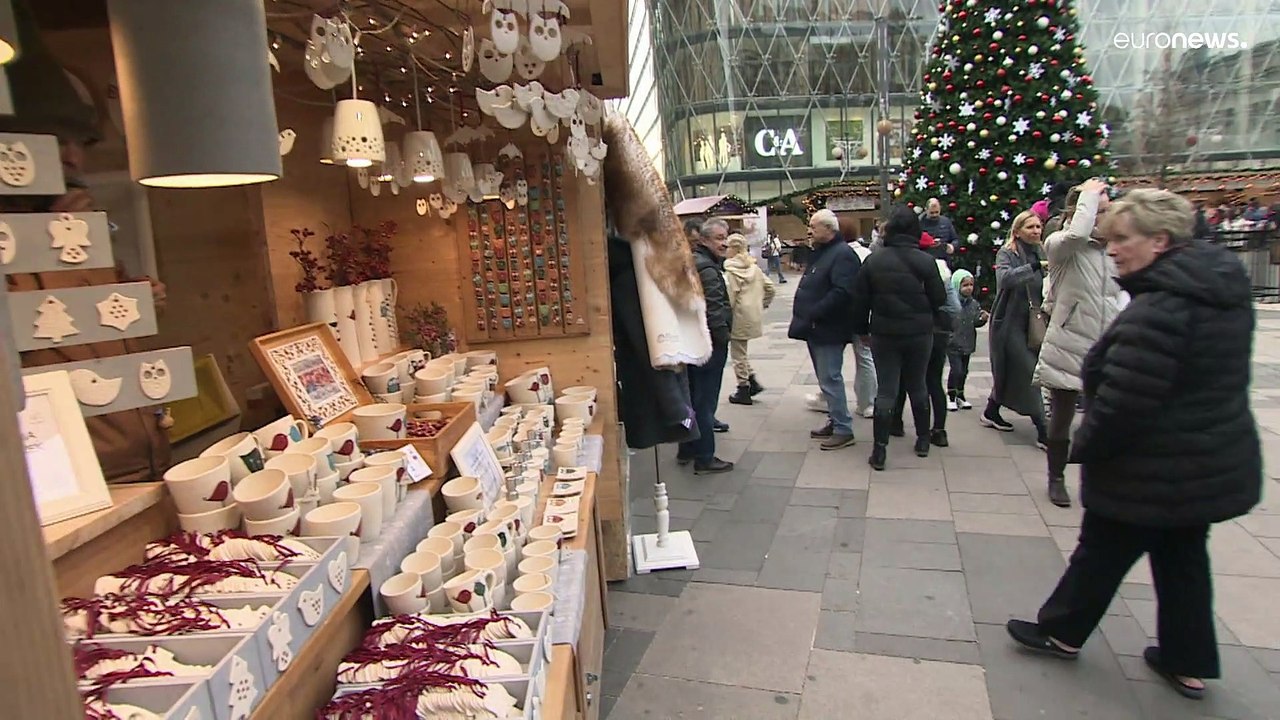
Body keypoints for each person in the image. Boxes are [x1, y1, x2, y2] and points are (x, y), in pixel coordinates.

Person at [1006, 189, 1261, 701]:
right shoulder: (1219, 291)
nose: (1114, 248)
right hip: (1204, 461)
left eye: (1123, 239)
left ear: (1160, 241)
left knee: (1101, 552)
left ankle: (1062, 632)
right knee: (1183, 561)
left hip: (1148, 464)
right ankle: (1187, 662)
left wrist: (1086, 447)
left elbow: (1126, 401)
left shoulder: (1162, 309)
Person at [1, 8, 171, 483]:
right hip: (64, 476)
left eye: (80, 141)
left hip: (141, 461)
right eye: (56, 140)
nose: (73, 155)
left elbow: (94, 329)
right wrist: (46, 249)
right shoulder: (22, 242)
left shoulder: (81, 228)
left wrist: (135, 296)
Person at [1033, 179, 1124, 508]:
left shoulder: (1113, 250)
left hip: (1106, 345)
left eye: (1107, 210)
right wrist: (1088, 196)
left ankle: (1103, 477)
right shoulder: (1062, 244)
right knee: (1062, 418)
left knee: (1107, 418)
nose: (1105, 217)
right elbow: (1076, 235)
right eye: (1098, 211)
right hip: (1069, 341)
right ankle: (1056, 478)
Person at [851, 206, 947, 470]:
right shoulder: (925, 261)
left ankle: (879, 450)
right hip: (919, 332)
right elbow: (939, 298)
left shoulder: (874, 260)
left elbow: (861, 301)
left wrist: (862, 330)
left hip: (885, 332)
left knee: (887, 390)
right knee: (918, 385)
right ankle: (923, 440)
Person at [789, 209, 861, 450]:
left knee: (830, 377)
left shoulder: (842, 255)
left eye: (814, 226)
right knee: (825, 378)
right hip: (816, 326)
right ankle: (835, 419)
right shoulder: (823, 253)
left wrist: (816, 311)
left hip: (828, 327)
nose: (810, 230)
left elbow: (843, 291)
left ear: (829, 230)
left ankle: (843, 427)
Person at [982, 210, 1049, 447]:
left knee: (1010, 372)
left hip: (1034, 321)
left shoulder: (1043, 251)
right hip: (1009, 322)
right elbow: (1005, 280)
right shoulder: (1007, 253)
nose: (1036, 231)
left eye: (1038, 227)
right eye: (1030, 227)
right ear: (1018, 230)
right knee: (1029, 372)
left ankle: (992, 410)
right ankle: (1043, 428)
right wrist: (1033, 267)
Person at [891, 234, 961, 446]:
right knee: (933, 381)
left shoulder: (904, 269)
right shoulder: (942, 271)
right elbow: (955, 308)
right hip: (937, 332)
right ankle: (939, 430)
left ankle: (896, 422)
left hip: (910, 330)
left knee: (903, 379)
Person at [677, 218, 734, 473]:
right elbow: (714, 309)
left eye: (726, 237)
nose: (724, 242)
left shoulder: (694, 262)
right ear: (704, 239)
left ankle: (687, 447)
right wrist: (722, 338)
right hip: (709, 344)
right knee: (704, 401)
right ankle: (705, 456)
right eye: (719, 238)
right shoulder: (708, 269)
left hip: (693, 340)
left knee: (691, 398)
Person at [725, 233, 775, 406]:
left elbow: (730, 296)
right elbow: (770, 287)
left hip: (738, 314)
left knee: (738, 354)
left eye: (728, 247)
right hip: (752, 314)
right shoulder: (754, 267)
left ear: (734, 248)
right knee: (742, 351)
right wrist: (763, 304)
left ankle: (743, 388)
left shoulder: (731, 269)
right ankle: (752, 380)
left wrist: (724, 316)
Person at [946, 269, 988, 411]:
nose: (969, 288)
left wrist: (982, 319)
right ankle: (951, 395)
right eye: (965, 285)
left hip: (968, 343)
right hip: (953, 344)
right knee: (956, 370)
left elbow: (975, 322)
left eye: (971, 285)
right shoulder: (952, 303)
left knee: (964, 371)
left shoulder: (974, 304)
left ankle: (960, 395)